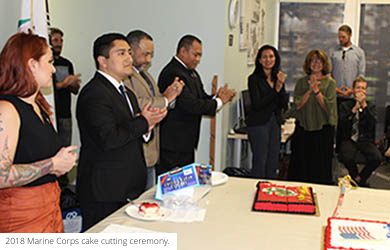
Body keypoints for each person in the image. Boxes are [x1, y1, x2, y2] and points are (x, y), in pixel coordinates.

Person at [76, 33, 167, 231]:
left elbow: (133, 132)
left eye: (129, 52)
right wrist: (143, 122)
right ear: (103, 61)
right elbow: (109, 138)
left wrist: (148, 127)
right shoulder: (94, 93)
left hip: (127, 186)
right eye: (121, 53)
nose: (129, 58)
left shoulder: (127, 93)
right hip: (104, 190)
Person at [0, 33, 78, 233]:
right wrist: (52, 164)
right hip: (21, 217)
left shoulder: (39, 107)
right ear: (32, 64)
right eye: (49, 62)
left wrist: (59, 164)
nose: (53, 69)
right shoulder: (7, 109)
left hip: (49, 209)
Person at [157, 34, 236, 176]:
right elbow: (190, 105)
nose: (198, 59)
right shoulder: (173, 73)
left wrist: (217, 96)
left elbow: (201, 97)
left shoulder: (191, 72)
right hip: (173, 144)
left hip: (186, 142)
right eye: (195, 55)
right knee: (172, 189)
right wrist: (219, 102)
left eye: (200, 55)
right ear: (182, 51)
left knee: (186, 185)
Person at [125, 30, 184, 190]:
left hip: (152, 151)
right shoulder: (125, 77)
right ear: (130, 50)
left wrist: (171, 94)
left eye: (151, 55)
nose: (148, 60)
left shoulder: (146, 75)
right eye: (145, 54)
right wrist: (166, 99)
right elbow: (137, 104)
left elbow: (159, 99)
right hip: (137, 152)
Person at [288, 49, 337, 185]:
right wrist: (309, 90)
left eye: (319, 61)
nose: (316, 64)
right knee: (300, 167)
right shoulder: (302, 82)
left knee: (320, 169)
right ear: (308, 64)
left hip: (323, 131)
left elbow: (329, 108)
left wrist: (316, 91)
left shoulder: (330, 83)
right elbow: (297, 106)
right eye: (313, 61)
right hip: (303, 130)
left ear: (324, 64)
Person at [246, 45, 288, 179]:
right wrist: (275, 90)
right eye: (264, 57)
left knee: (272, 161)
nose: (268, 60)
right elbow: (258, 104)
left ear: (276, 59)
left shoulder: (278, 78)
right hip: (258, 124)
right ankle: (257, 192)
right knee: (260, 162)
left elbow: (283, 104)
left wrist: (281, 88)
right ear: (259, 60)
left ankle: (270, 192)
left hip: (274, 123)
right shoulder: (254, 79)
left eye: (271, 56)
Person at [50, 27, 81, 186]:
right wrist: (62, 84)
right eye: (55, 40)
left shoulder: (66, 63)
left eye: (61, 41)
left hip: (65, 113)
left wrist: (73, 84)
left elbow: (75, 90)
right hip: (50, 113)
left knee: (65, 149)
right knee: (52, 151)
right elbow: (47, 88)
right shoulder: (47, 64)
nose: (59, 44)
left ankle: (64, 187)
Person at [338, 77, 382, 187]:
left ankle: (359, 178)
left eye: (363, 88)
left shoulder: (371, 106)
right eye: (358, 88)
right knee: (346, 157)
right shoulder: (345, 105)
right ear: (352, 90)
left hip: (364, 140)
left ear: (366, 91)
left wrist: (364, 107)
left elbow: (372, 124)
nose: (360, 91)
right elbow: (342, 125)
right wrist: (353, 110)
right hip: (348, 139)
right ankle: (355, 176)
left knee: (377, 158)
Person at [329, 24, 366, 99]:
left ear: (350, 35)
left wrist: (352, 90)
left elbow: (361, 74)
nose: (341, 39)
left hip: (353, 95)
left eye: (343, 37)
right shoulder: (332, 51)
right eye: (339, 37)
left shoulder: (359, 52)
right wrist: (336, 89)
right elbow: (328, 73)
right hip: (335, 95)